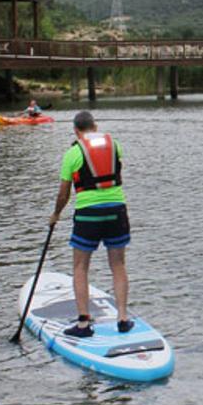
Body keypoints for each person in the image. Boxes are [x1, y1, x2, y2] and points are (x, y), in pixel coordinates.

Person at [48, 111, 133, 338]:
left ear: (76, 131)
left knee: (80, 267)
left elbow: (64, 193)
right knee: (118, 264)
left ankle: (84, 324)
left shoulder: (72, 153)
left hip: (88, 214)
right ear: (95, 127)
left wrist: (56, 214)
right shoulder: (115, 145)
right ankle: (123, 318)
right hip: (117, 210)